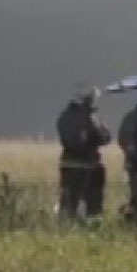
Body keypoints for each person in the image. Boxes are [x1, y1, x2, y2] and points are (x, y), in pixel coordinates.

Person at [56, 88, 111, 220]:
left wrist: (94, 137)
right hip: (74, 167)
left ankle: (93, 227)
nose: (94, 102)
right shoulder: (68, 117)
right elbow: (74, 142)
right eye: (91, 98)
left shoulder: (93, 117)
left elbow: (106, 136)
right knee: (70, 201)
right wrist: (91, 140)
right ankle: (67, 227)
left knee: (95, 202)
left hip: (93, 166)